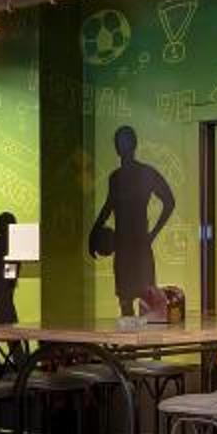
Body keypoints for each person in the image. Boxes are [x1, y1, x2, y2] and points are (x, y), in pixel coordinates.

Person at [88, 125, 176, 316]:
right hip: (125, 247)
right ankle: (130, 334)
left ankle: (143, 334)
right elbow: (109, 206)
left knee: (146, 303)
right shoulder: (116, 177)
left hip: (139, 246)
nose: (122, 146)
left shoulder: (145, 173)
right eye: (119, 142)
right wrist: (93, 234)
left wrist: (153, 234)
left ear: (133, 144)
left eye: (125, 142)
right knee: (126, 303)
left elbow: (169, 202)